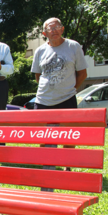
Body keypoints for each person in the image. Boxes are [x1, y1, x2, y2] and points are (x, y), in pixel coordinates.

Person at [31, 17, 88, 171]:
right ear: (44, 33)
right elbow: (38, 75)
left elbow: (82, 73)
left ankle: (67, 165)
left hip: (67, 98)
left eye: (57, 27)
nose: (54, 30)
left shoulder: (74, 46)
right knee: (43, 136)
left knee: (68, 134)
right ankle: (47, 164)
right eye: (50, 28)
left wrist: (69, 89)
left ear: (62, 29)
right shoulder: (40, 51)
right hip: (43, 100)